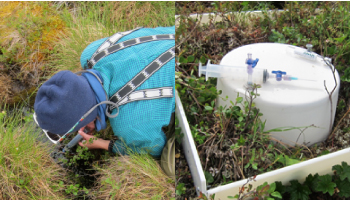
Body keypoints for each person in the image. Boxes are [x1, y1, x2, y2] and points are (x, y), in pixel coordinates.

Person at [33, 26, 175, 178]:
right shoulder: (93, 52)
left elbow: (152, 149)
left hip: (190, 76)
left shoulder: (130, 125)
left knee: (169, 168)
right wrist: (90, 116)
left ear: (82, 120)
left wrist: (102, 143)